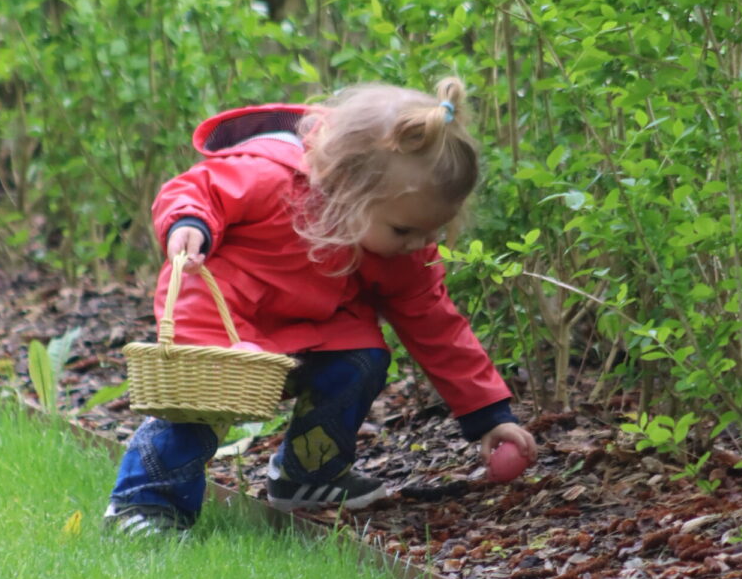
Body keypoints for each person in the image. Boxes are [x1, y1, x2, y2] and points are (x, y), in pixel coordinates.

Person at [105, 77, 536, 535]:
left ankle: (308, 474)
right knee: (199, 408)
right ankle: (146, 505)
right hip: (226, 319)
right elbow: (198, 189)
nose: (417, 245)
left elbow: (436, 323)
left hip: (311, 329)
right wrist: (188, 223)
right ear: (351, 188)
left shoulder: (400, 241)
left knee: (361, 359)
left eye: (430, 233)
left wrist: (489, 415)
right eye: (404, 231)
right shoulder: (269, 177)